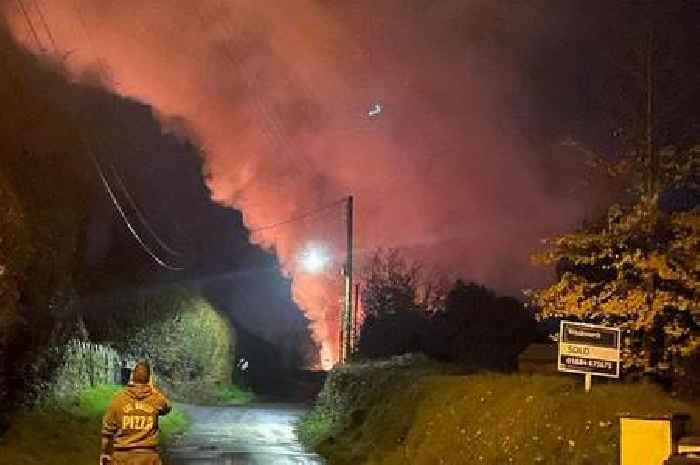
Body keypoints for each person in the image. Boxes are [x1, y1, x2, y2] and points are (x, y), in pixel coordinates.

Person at [100, 360, 171, 465]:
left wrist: (104, 452)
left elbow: (107, 431)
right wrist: (152, 388)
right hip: (148, 458)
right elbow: (167, 407)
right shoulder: (156, 399)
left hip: (122, 458)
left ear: (132, 377)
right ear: (149, 378)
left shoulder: (118, 400)